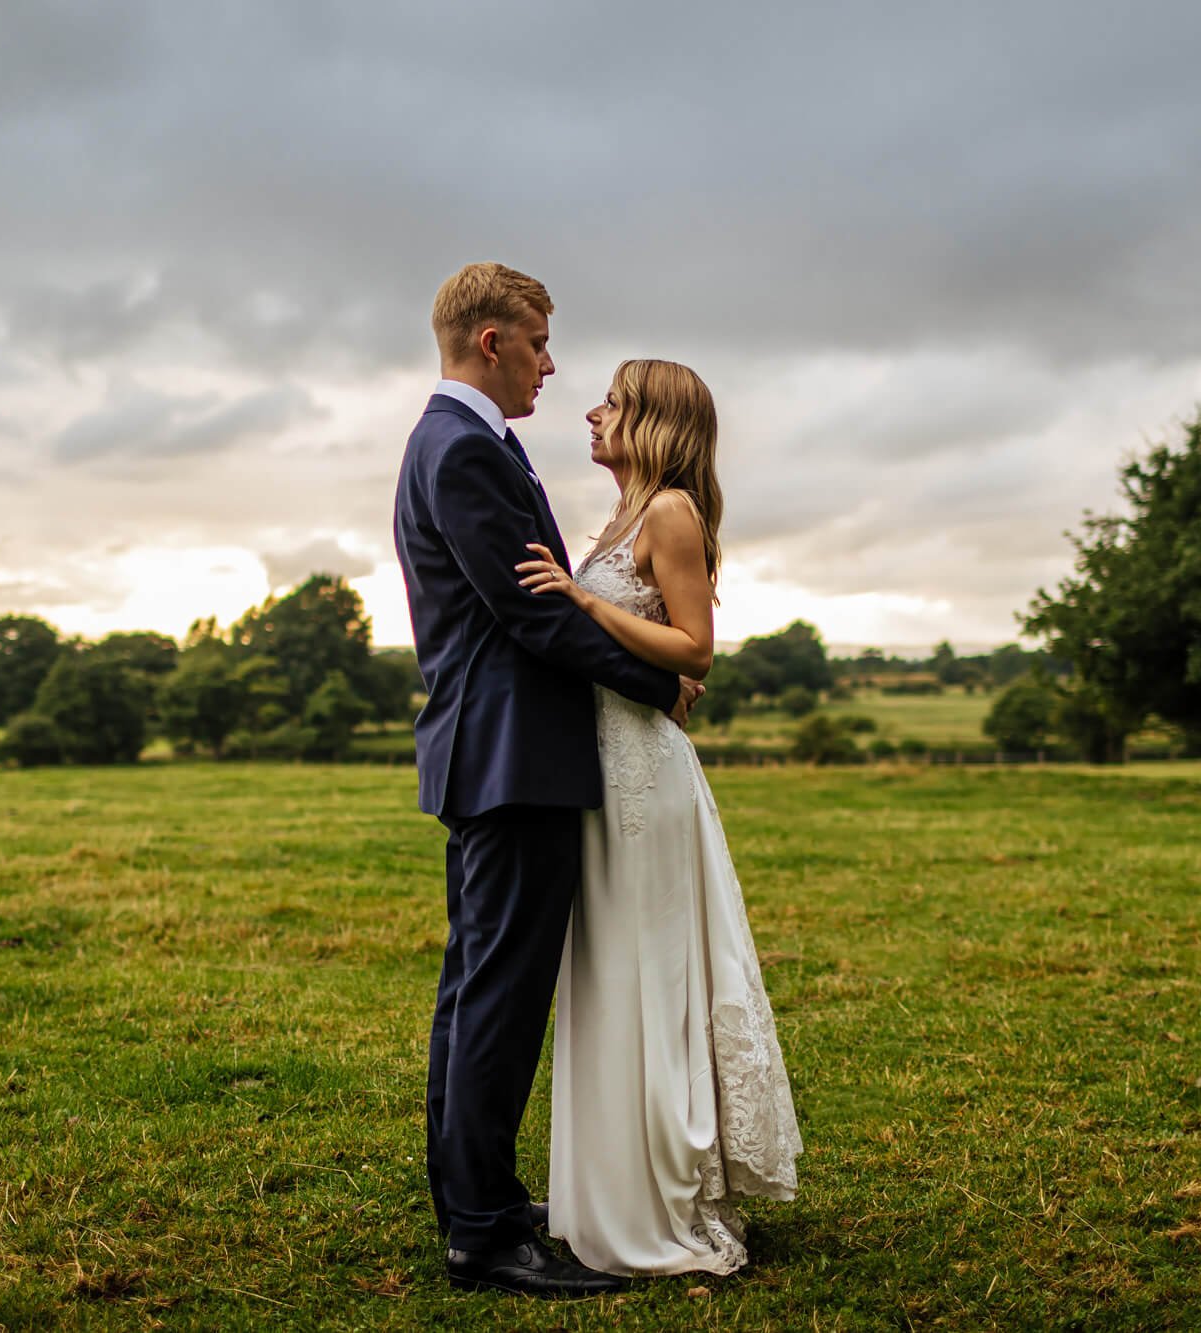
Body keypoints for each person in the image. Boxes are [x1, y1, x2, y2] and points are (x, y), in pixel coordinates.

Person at [392, 264, 704, 1298]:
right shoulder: (463, 448)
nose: (549, 364)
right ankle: (480, 1230)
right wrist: (656, 685)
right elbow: (528, 616)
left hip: (496, 750)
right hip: (511, 754)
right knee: (498, 995)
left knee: (477, 987)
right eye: (536, 343)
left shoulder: (459, 443)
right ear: (492, 342)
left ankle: (475, 1198)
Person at [516, 358, 802, 1276]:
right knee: (606, 969)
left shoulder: (672, 511)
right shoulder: (619, 517)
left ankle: (664, 1194)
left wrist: (582, 597)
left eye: (612, 402)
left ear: (654, 422)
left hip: (645, 772)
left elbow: (696, 650)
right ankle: (608, 1184)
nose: (591, 412)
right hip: (600, 765)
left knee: (651, 969)